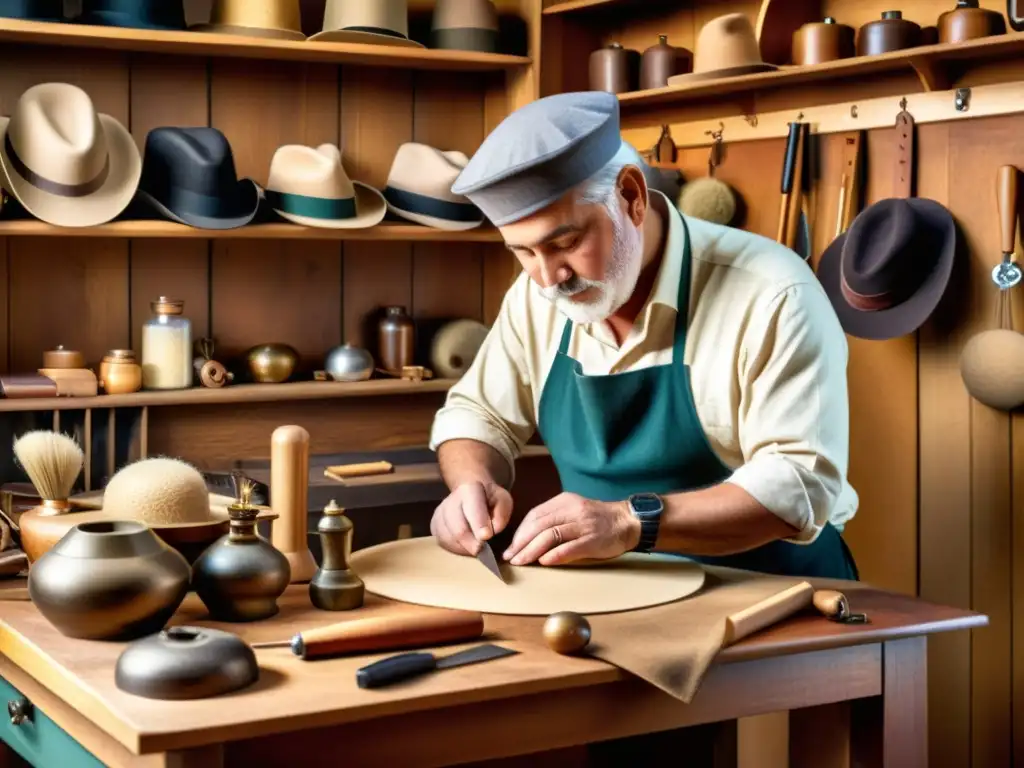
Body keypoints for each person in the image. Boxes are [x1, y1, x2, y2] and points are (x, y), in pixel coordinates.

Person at [427, 91, 859, 580]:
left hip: (775, 598)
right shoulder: (536, 295)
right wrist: (471, 484)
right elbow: (478, 412)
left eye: (565, 243)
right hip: (615, 601)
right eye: (522, 252)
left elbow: (800, 482)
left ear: (631, 197)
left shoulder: (774, 293)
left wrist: (628, 521)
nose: (548, 278)